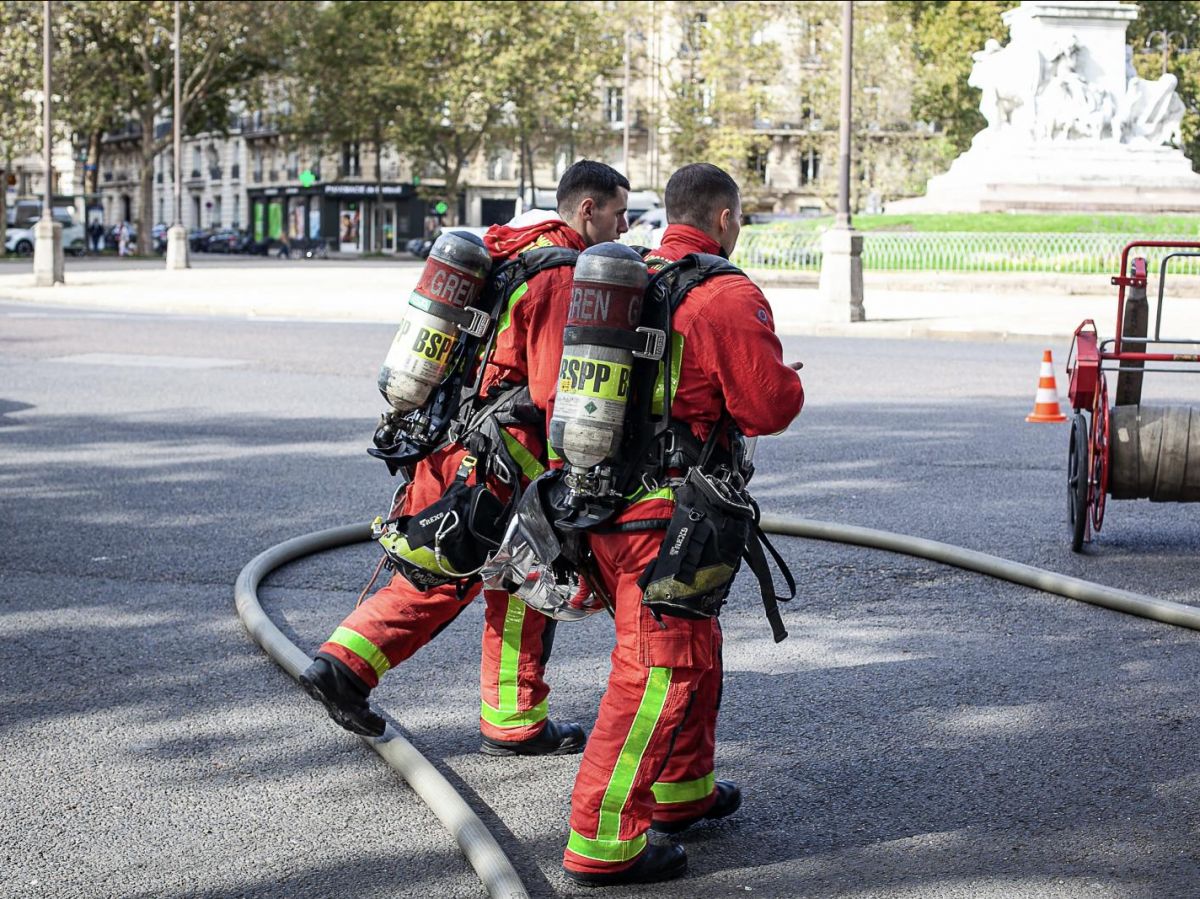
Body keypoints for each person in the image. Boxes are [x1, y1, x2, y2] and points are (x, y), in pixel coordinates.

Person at [300, 160, 631, 756]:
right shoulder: (557, 275)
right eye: (618, 213)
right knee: (444, 581)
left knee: (519, 584)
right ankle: (343, 668)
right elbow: (556, 391)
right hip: (501, 465)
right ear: (588, 210)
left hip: (451, 446)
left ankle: (514, 720)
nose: (625, 226)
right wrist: (579, 476)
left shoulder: (508, 253)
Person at [560, 163, 804, 886]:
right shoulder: (725, 293)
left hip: (607, 509)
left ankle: (682, 790)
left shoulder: (631, 280)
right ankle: (602, 839)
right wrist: (792, 376)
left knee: (693, 649)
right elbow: (767, 406)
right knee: (656, 671)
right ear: (726, 220)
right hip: (668, 518)